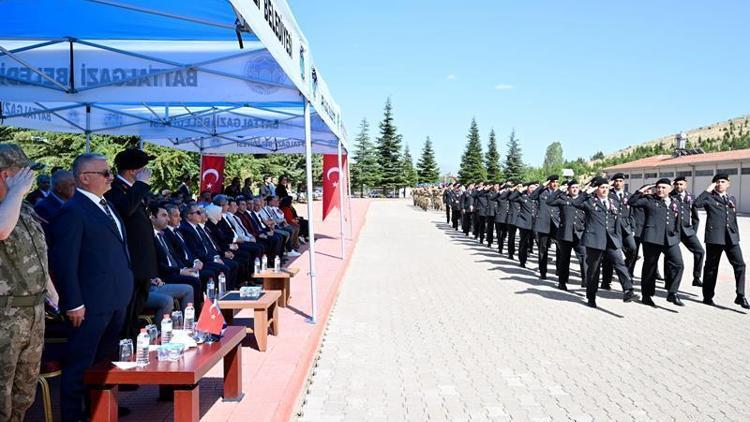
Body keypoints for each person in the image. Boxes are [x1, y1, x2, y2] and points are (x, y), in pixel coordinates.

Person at [51, 153, 134, 422]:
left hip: (115, 299)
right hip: (90, 304)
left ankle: (100, 407)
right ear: (85, 178)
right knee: (80, 365)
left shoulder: (105, 206)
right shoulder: (72, 211)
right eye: (106, 173)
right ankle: (74, 416)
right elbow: (64, 262)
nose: (111, 177)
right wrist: (73, 302)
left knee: (104, 362)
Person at [0, 144, 55, 422]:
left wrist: (53, 295)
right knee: (2, 397)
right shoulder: (7, 209)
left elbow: (38, 256)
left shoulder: (25, 209)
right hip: (4, 318)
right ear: (5, 175)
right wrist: (16, 193)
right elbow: (1, 230)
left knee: (23, 395)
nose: (30, 179)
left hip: (32, 314)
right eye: (24, 173)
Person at [105, 148, 158, 342]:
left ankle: (131, 339)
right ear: (133, 171)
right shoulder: (115, 189)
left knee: (137, 305)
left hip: (142, 260)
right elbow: (125, 209)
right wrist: (141, 185)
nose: (147, 171)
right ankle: (124, 343)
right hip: (131, 260)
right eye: (143, 168)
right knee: (128, 308)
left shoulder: (133, 189)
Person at [573, 177, 636, 308]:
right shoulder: (590, 202)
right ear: (596, 189)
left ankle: (628, 289)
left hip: (611, 240)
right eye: (602, 188)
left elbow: (617, 222)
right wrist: (586, 191)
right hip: (594, 240)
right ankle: (591, 296)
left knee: (619, 263)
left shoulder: (613, 202)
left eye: (607, 188)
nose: (605, 190)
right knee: (594, 270)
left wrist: (619, 239)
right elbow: (575, 203)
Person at [693, 174, 749, 309]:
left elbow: (733, 218)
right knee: (711, 268)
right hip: (715, 238)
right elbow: (696, 204)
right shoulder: (709, 198)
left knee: (740, 265)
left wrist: (736, 234)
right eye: (717, 182)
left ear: (728, 183)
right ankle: (708, 296)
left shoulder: (731, 199)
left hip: (731, 238)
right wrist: (708, 189)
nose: (719, 184)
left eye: (722, 182)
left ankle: (740, 296)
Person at [628, 179, 685, 306]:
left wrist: (677, 235)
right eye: (658, 187)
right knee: (650, 267)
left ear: (670, 189)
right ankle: (647, 295)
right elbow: (631, 202)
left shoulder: (675, 201)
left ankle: (672, 293)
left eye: (663, 187)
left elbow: (678, 220)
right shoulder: (649, 199)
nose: (660, 190)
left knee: (678, 264)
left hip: (670, 239)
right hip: (652, 238)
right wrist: (643, 189)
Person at [149, 203, 201, 309]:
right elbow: (159, 264)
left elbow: (175, 256)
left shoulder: (162, 235)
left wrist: (186, 268)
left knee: (196, 275)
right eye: (164, 215)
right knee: (193, 282)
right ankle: (194, 316)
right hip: (165, 275)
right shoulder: (150, 237)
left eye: (168, 216)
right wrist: (181, 271)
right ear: (152, 217)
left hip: (174, 270)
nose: (167, 219)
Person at [547, 180, 587, 290]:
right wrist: (559, 190)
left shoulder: (583, 199)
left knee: (584, 257)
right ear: (568, 189)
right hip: (565, 234)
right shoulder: (563, 199)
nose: (575, 189)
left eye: (576, 187)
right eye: (572, 187)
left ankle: (586, 280)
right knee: (565, 259)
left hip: (580, 233)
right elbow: (549, 201)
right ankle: (562, 282)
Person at [601, 173, 637, 289]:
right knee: (609, 255)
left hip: (625, 227)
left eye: (621, 181)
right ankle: (606, 281)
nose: (618, 183)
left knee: (633, 248)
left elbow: (632, 213)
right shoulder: (608, 194)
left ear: (624, 182)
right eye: (616, 181)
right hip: (612, 228)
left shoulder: (628, 195)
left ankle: (626, 270)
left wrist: (632, 228)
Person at [670, 176, 705, 287]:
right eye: (677, 184)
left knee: (700, 251)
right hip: (673, 231)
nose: (679, 186)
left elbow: (695, 216)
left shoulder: (691, 197)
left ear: (686, 185)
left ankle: (696, 277)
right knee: (670, 256)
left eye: (681, 184)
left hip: (687, 230)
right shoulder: (669, 196)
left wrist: (693, 230)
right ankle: (669, 280)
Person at [530, 175, 561, 279]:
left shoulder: (560, 192)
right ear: (548, 183)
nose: (555, 183)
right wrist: (542, 185)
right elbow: (532, 196)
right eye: (552, 182)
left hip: (556, 224)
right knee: (543, 248)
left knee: (560, 249)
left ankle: (559, 269)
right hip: (543, 224)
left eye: (556, 181)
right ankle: (543, 271)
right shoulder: (542, 192)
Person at [34, 170, 76, 243]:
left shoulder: (75, 203)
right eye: (72, 185)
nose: (76, 188)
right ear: (59, 188)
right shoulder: (42, 209)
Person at [509, 182, 538, 268]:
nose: (533, 189)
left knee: (538, 241)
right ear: (527, 188)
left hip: (535, 223)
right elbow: (511, 198)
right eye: (531, 187)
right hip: (524, 223)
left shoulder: (537, 197)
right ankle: (522, 260)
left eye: (534, 188)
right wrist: (519, 191)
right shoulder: (522, 196)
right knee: (524, 242)